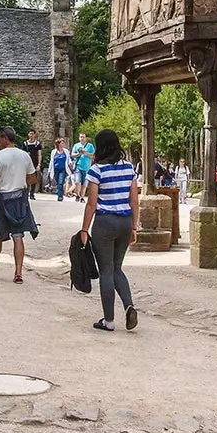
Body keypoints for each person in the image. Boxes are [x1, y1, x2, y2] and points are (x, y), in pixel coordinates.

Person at [79, 128, 140, 333]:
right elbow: (134, 200)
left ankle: (109, 320)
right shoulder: (129, 168)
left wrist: (84, 230)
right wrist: (134, 226)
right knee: (117, 268)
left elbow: (92, 204)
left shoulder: (97, 170)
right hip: (124, 222)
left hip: (105, 223)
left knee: (106, 270)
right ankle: (129, 305)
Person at [0, 128, 38, 282]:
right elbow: (33, 179)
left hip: (2, 199)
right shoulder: (24, 155)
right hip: (19, 199)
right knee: (18, 236)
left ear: (5, 138)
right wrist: (20, 180)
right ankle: (18, 273)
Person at [71, 132, 95, 202]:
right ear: (79, 138)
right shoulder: (76, 145)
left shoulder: (90, 146)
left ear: (86, 138)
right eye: (81, 137)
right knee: (78, 181)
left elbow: (93, 155)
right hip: (78, 166)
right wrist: (79, 154)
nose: (82, 138)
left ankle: (82, 197)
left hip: (87, 167)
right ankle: (78, 195)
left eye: (83, 137)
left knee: (84, 184)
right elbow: (72, 154)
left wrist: (86, 153)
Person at [22, 129, 44, 199]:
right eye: (30, 134)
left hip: (34, 163)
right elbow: (22, 154)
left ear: (34, 135)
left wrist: (39, 164)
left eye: (32, 134)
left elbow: (39, 154)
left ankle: (32, 193)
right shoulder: (25, 143)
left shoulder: (37, 144)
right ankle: (26, 192)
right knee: (26, 178)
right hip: (26, 163)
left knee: (34, 178)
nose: (31, 135)